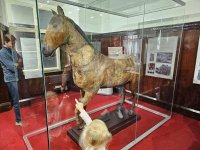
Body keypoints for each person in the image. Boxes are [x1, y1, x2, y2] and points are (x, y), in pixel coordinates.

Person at [0, 34, 22, 126]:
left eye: (13, 42)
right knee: (15, 99)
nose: (13, 44)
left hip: (16, 77)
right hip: (10, 79)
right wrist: (16, 64)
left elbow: (20, 59)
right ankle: (18, 121)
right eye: (11, 42)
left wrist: (17, 63)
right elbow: (11, 66)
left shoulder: (12, 50)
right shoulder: (2, 52)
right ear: (5, 42)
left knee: (17, 98)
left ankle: (18, 118)